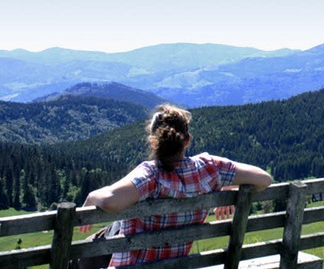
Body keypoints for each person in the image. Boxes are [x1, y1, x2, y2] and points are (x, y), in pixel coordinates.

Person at [79, 104, 272, 267]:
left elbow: (110, 201)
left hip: (133, 264)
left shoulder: (151, 174)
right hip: (175, 263)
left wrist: (91, 197)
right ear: (187, 141)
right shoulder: (210, 168)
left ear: (153, 142)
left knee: (84, 251)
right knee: (111, 230)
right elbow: (264, 179)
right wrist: (229, 188)